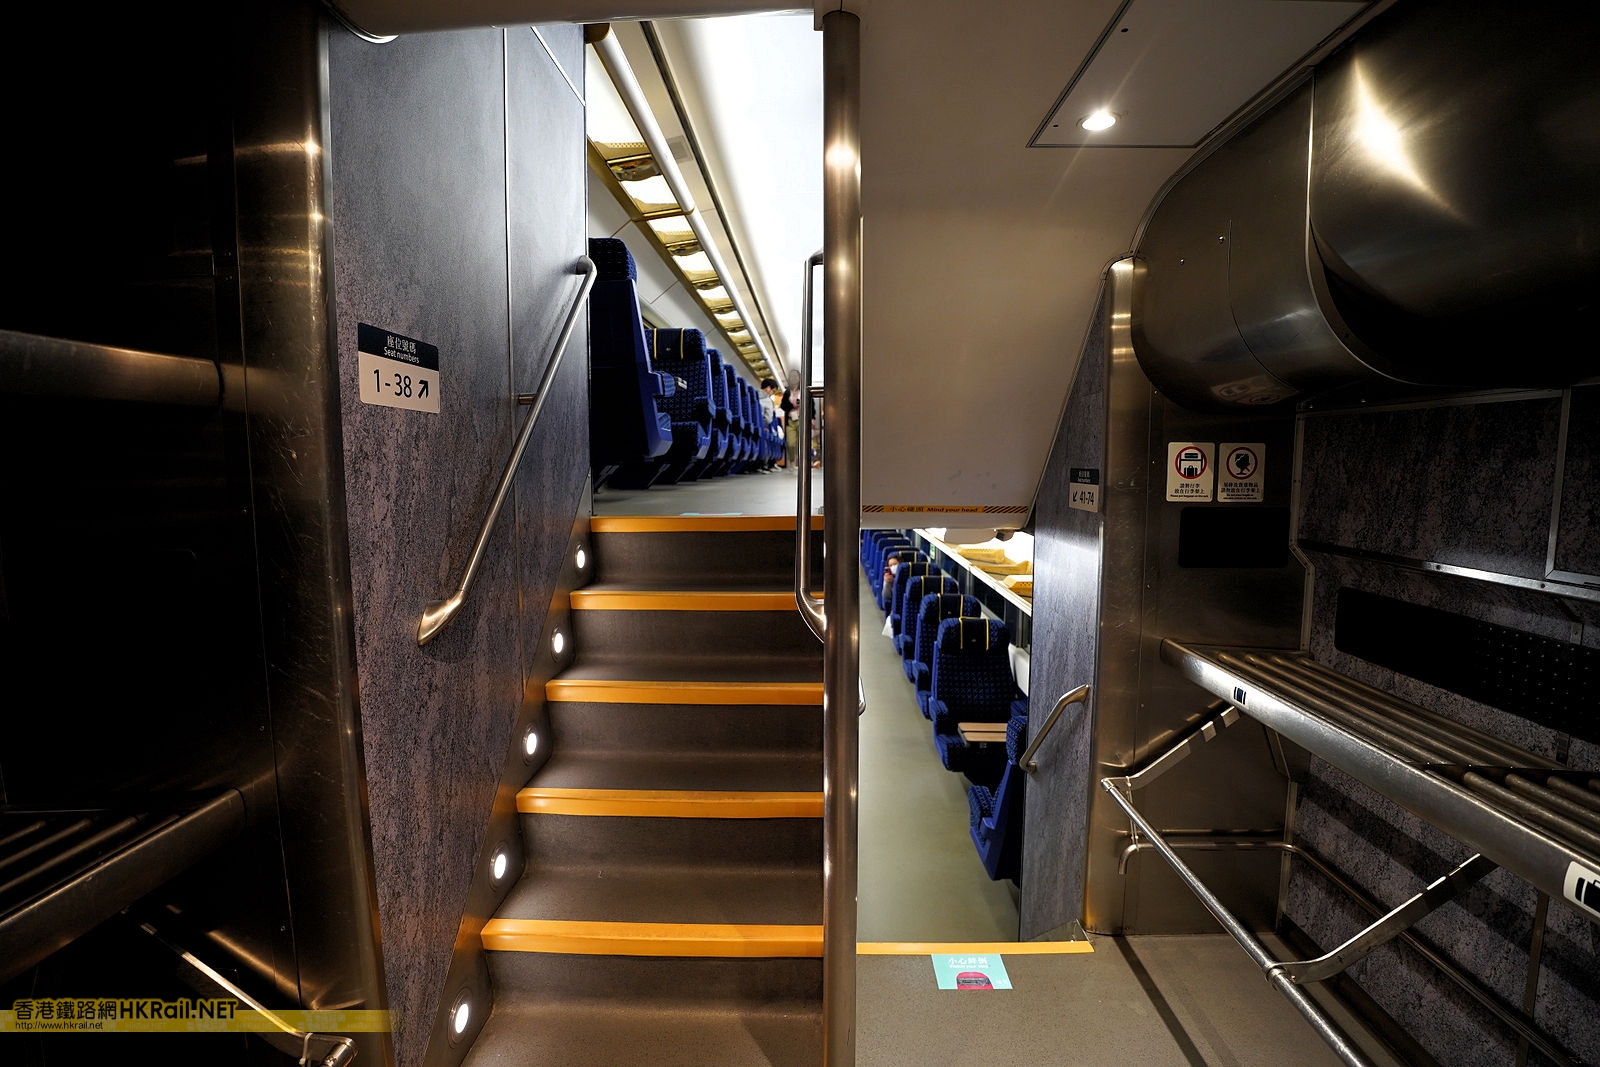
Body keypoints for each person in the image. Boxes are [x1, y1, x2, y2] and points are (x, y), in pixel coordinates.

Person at [781, 370, 802, 471]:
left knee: (802, 442)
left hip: (802, 419)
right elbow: (783, 406)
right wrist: (793, 405)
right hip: (790, 420)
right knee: (791, 443)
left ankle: (802, 462)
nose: (794, 378)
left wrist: (812, 418)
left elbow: (811, 405)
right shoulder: (787, 392)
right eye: (792, 376)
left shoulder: (803, 390)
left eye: (796, 376)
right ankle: (792, 461)